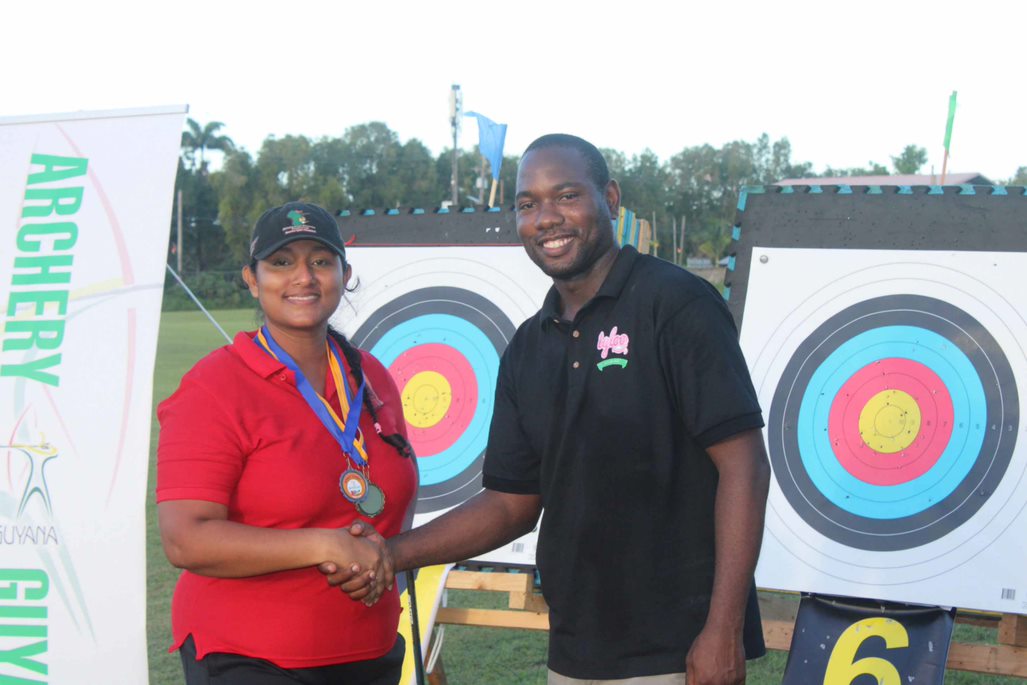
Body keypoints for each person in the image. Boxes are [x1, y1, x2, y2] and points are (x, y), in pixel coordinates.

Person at [333, 134, 772, 685]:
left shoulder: (675, 303)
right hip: (576, 648)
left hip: (679, 650)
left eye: (566, 196)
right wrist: (393, 554)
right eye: (527, 204)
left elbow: (745, 468)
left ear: (609, 199)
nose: (546, 219)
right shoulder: (528, 346)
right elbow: (511, 504)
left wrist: (722, 630)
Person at [157, 201, 416, 684]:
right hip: (251, 658)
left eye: (320, 261)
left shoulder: (371, 376)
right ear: (253, 280)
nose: (304, 277)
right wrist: (323, 544)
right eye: (281, 262)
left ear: (345, 273)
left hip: (371, 650)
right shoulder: (213, 386)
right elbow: (184, 537)